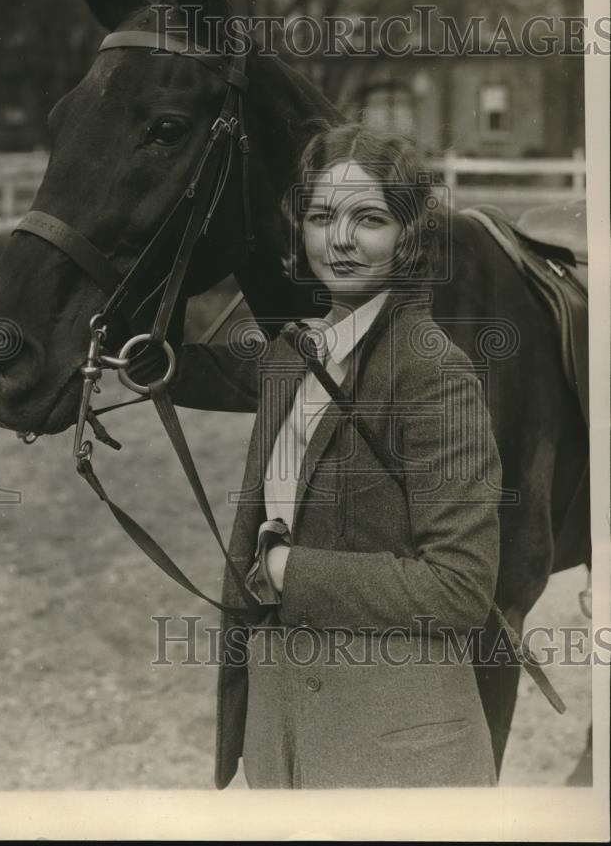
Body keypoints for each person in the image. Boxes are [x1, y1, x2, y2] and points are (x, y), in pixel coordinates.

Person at [152, 122, 502, 789]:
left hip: (397, 748)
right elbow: (209, 370)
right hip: (282, 732)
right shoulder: (296, 354)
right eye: (321, 216)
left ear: (410, 235)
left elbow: (460, 588)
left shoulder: (434, 373)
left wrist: (286, 570)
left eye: (368, 218)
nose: (338, 241)